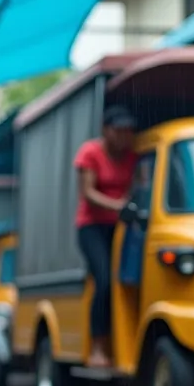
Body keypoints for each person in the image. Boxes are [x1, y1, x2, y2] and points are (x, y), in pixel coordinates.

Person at [74, 105, 137, 368]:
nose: (123, 136)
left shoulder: (133, 157)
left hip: (121, 228)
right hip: (92, 227)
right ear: (106, 130)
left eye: (127, 131)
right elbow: (87, 193)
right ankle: (98, 347)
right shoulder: (90, 153)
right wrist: (119, 206)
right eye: (118, 130)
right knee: (104, 281)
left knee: (127, 282)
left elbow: (137, 188)